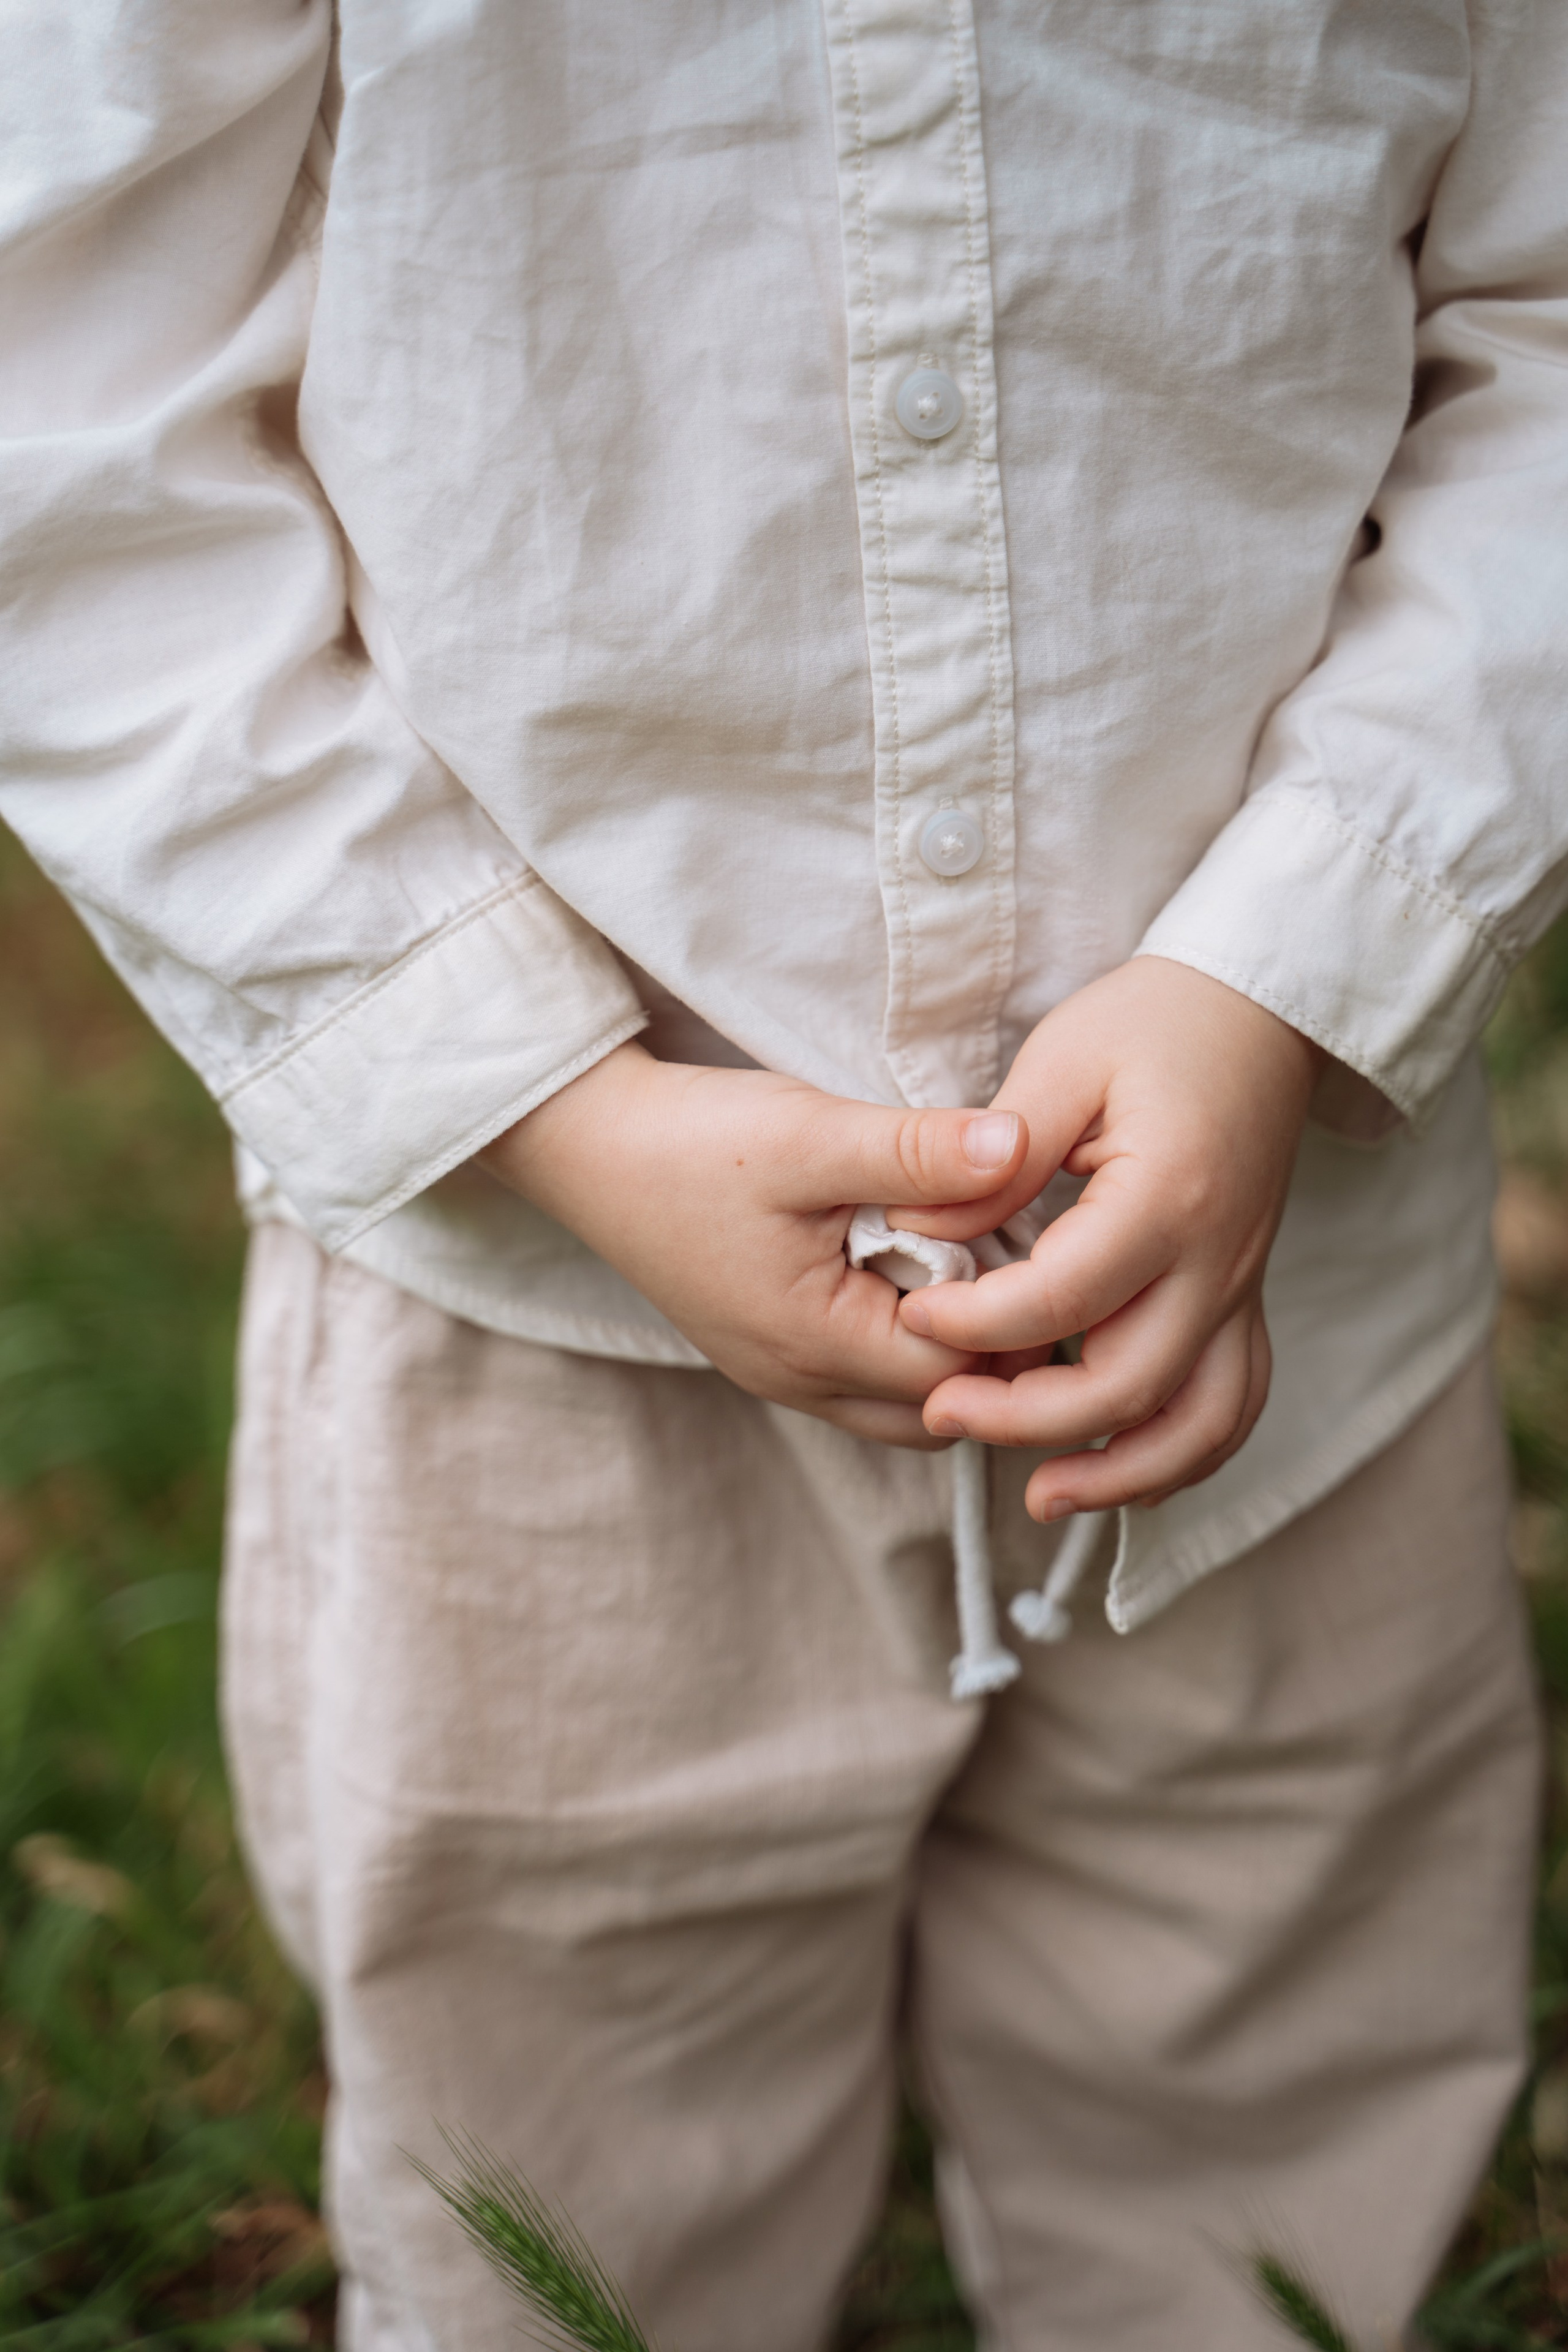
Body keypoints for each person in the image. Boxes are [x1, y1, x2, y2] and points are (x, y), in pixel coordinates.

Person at [2, 2, 1564, 2343]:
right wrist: (541, 1094)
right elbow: (62, 427)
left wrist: (1304, 951)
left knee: (1273, 2073)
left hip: (1285, 1284)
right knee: (573, 2156)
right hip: (542, 1320)